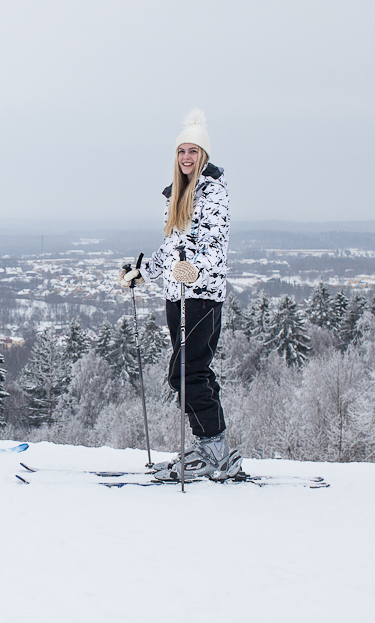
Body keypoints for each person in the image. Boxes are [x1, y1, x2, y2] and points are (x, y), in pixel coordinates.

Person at [119, 109, 240, 481]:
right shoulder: (178, 195)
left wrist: (196, 270)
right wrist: (143, 274)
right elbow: (173, 248)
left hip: (201, 297)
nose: (186, 157)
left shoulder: (213, 193)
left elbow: (215, 248)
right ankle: (212, 447)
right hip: (177, 297)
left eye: (193, 151)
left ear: (203, 155)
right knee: (194, 371)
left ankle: (214, 447)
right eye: (181, 151)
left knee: (185, 373)